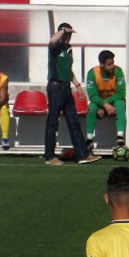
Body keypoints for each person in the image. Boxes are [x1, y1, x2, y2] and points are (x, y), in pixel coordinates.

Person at [44, 22, 101, 166]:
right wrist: (62, 31)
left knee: (74, 121)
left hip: (66, 87)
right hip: (55, 87)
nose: (69, 37)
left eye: (70, 35)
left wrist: (77, 85)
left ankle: (83, 154)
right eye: (67, 34)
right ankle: (50, 156)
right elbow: (51, 41)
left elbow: (68, 69)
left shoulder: (68, 49)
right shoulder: (55, 47)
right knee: (53, 122)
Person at [85, 49, 127, 151]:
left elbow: (121, 93)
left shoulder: (118, 71)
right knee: (92, 108)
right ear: (102, 65)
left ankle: (120, 138)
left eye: (113, 63)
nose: (112, 66)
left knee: (121, 104)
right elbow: (93, 96)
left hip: (114, 100)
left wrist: (105, 106)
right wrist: (105, 106)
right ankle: (89, 139)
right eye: (109, 64)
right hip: (99, 102)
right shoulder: (92, 73)